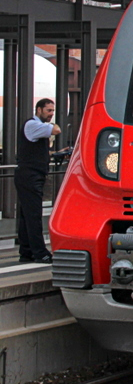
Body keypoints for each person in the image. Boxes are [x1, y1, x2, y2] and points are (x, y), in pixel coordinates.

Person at [16, 98, 61, 263]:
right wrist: (52, 124)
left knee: (26, 215)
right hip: (30, 176)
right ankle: (40, 252)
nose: (51, 114)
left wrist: (54, 153)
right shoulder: (33, 125)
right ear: (39, 109)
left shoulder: (35, 128)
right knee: (34, 215)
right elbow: (56, 130)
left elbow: (33, 151)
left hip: (29, 175)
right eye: (49, 111)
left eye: (53, 111)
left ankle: (26, 251)